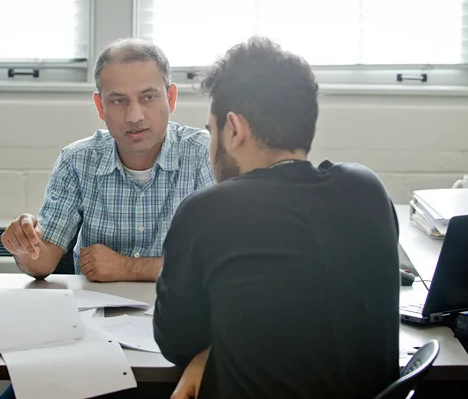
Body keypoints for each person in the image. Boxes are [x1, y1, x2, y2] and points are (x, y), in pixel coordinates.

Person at [153, 36, 400, 398]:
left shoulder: (208, 212)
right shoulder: (368, 190)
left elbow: (176, 343)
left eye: (212, 131)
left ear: (234, 129)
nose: (210, 150)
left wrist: (208, 355)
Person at [1, 39, 214, 282]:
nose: (135, 116)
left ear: (171, 97)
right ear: (100, 106)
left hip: (180, 310)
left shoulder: (203, 154)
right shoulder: (77, 160)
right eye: (118, 101)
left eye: (148, 97)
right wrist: (25, 245)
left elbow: (220, 261)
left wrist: (128, 267)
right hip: (95, 315)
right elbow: (43, 262)